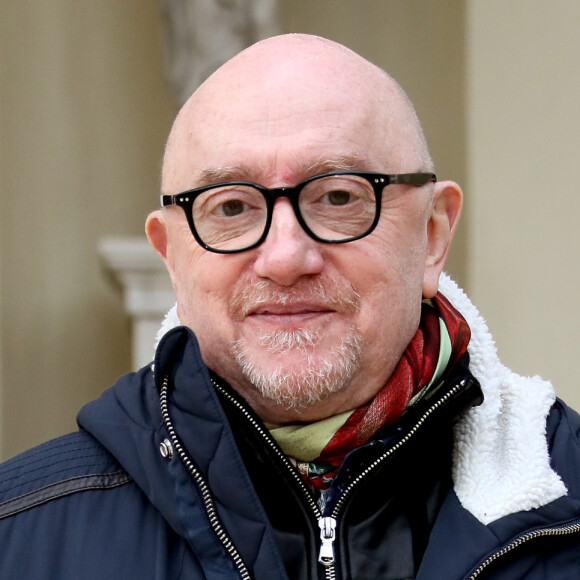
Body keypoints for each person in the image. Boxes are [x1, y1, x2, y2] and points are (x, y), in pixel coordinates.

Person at [0, 34, 578, 579]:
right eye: (230, 208)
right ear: (172, 256)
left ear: (431, 235)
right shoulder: (21, 534)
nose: (284, 257)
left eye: (338, 196)